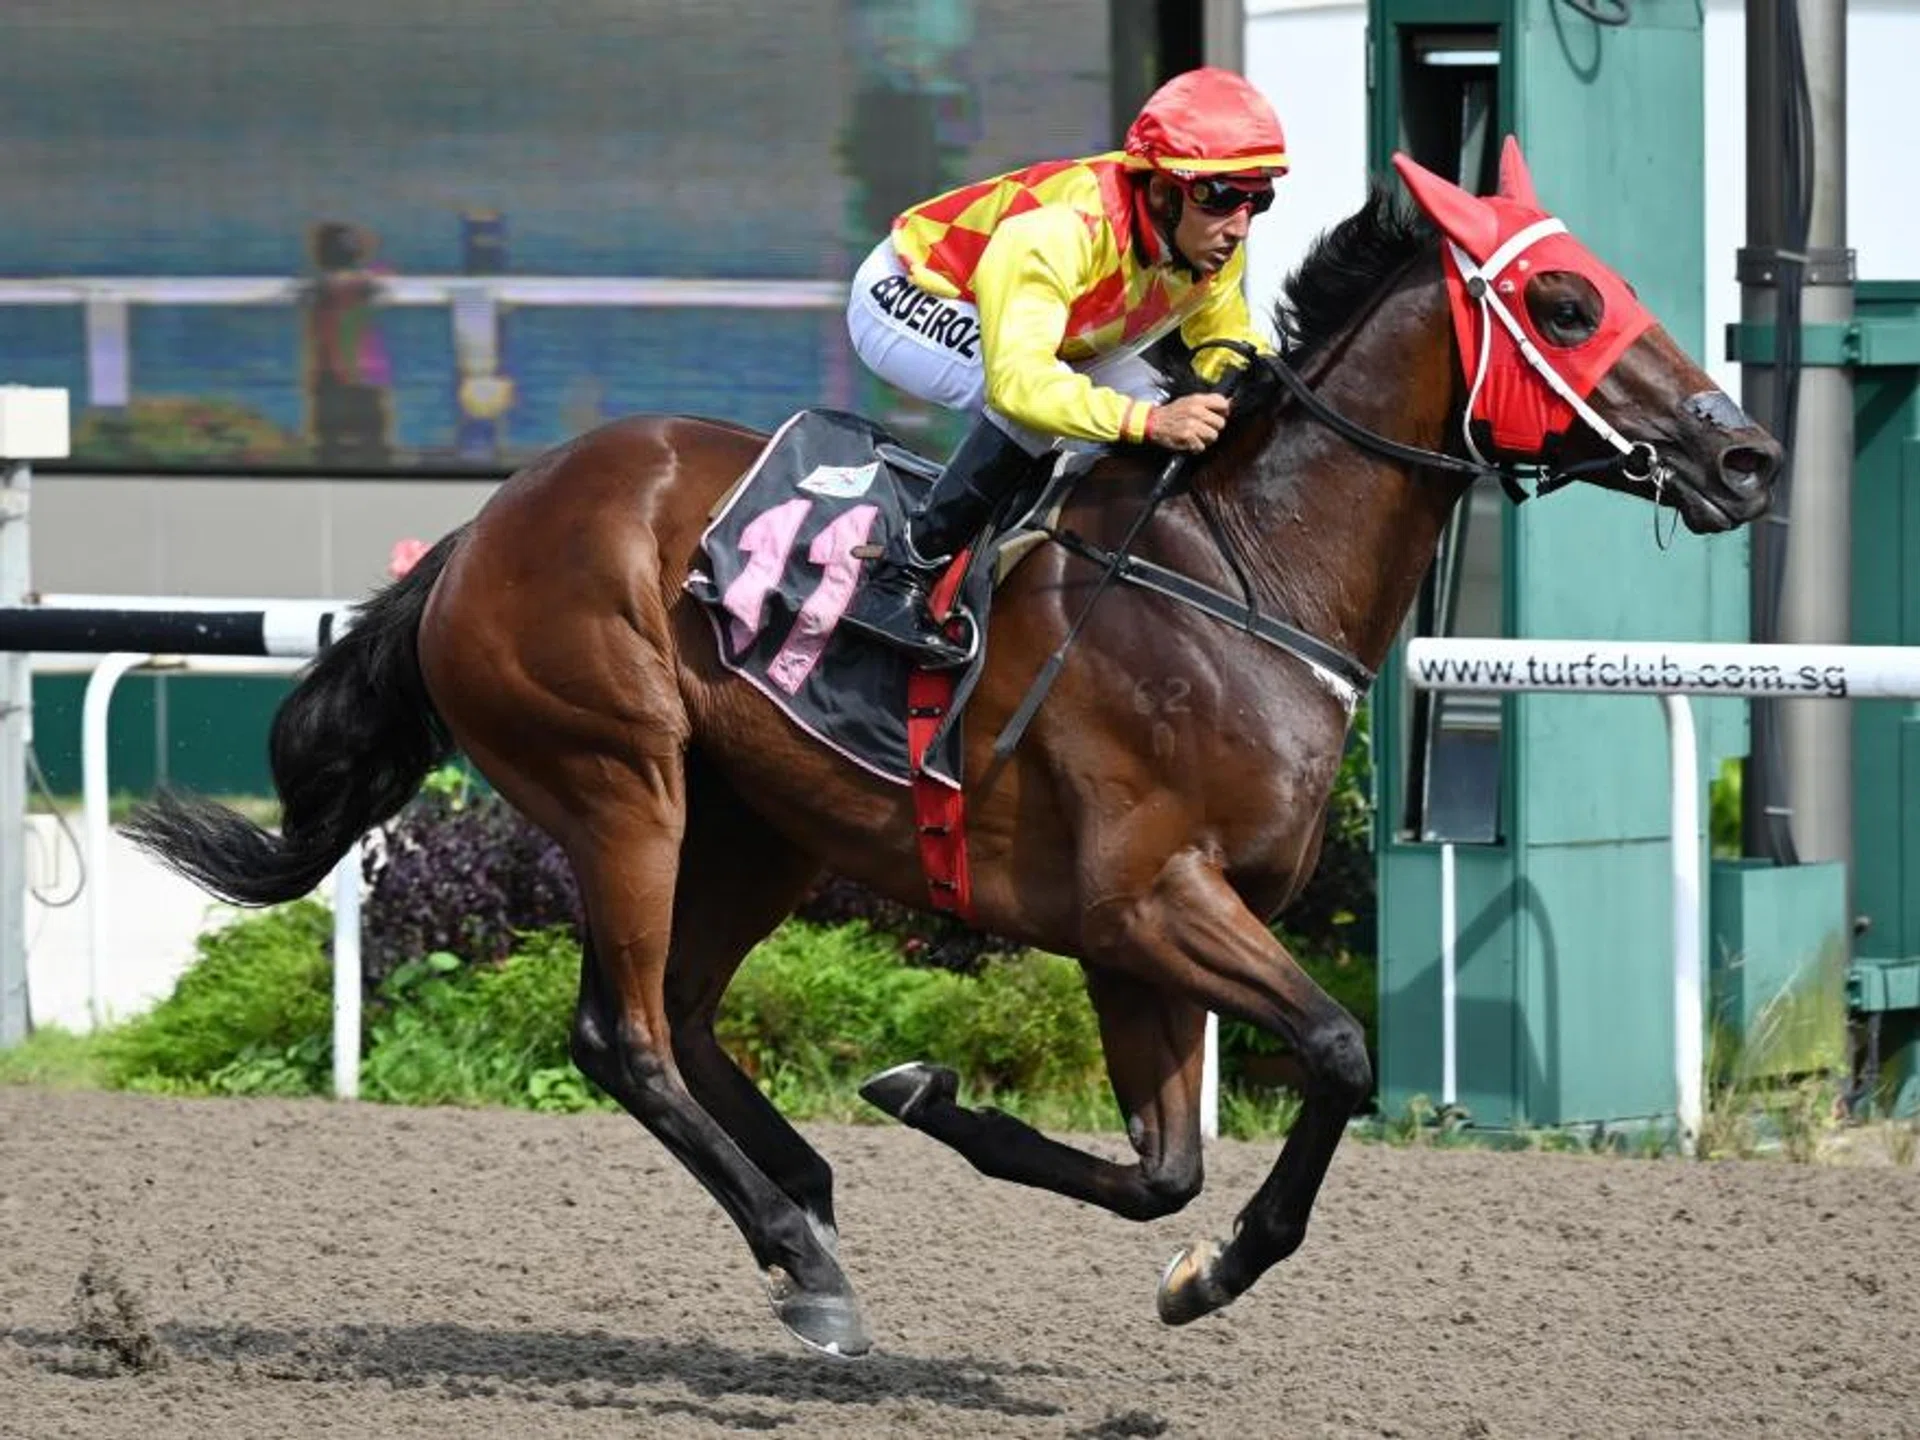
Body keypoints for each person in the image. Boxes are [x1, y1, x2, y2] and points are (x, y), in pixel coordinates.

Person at [840, 66, 1287, 666]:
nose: (1240, 224)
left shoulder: (1211, 240)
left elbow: (1225, 343)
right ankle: (902, 576)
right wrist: (1151, 425)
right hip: (914, 294)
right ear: (1160, 190)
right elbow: (1022, 385)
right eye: (1223, 196)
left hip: (1060, 332)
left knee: (1159, 415)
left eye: (1257, 198)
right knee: (1038, 415)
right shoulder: (1059, 231)